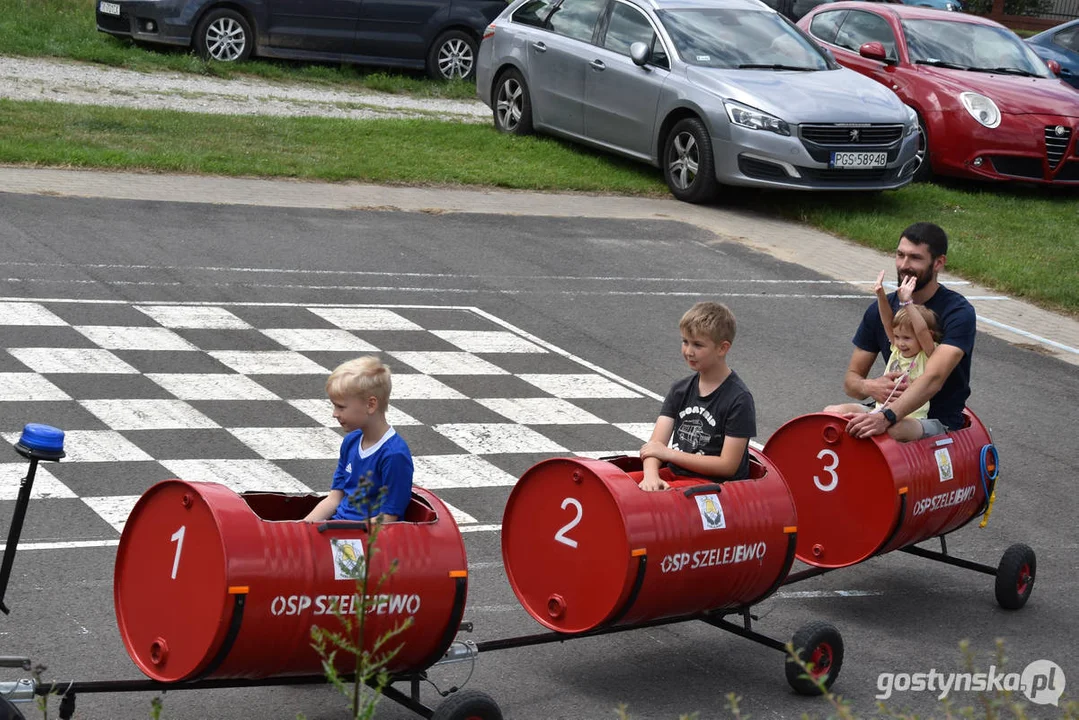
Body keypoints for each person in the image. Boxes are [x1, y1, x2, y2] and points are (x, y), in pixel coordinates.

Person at [842, 222, 976, 440]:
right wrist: (870, 386)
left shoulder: (958, 313)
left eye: (915, 258)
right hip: (885, 410)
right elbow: (851, 382)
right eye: (900, 255)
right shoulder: (881, 310)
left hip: (935, 421)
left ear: (938, 263)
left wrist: (886, 418)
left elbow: (934, 378)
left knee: (891, 432)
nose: (904, 265)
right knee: (833, 414)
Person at [638, 302, 756, 492]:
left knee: (643, 500)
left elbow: (727, 466)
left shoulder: (739, 399)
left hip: (715, 486)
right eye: (685, 342)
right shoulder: (680, 389)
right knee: (618, 487)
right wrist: (651, 476)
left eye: (698, 345)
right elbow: (655, 446)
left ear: (722, 348)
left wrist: (669, 454)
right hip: (676, 474)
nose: (689, 351)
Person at [825, 272, 941, 441]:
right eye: (898, 337)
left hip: (911, 418)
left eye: (907, 338)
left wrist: (907, 303)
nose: (900, 343)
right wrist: (880, 294)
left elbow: (922, 331)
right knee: (831, 411)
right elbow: (887, 321)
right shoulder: (897, 348)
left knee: (893, 429)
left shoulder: (928, 354)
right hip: (879, 412)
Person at [304, 356, 414, 524]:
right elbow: (335, 497)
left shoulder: (394, 455)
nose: (335, 413)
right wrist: (301, 529)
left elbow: (389, 517)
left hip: (365, 540)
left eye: (341, 406)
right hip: (338, 527)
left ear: (370, 405)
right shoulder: (351, 441)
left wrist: (342, 532)